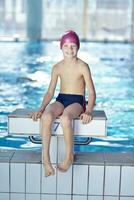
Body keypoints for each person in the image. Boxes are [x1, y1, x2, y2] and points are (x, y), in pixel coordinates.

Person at [30, 30, 96, 177]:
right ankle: (45, 159)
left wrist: (89, 110)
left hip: (77, 101)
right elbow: (49, 92)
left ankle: (69, 156)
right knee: (47, 116)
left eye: (73, 46)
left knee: (66, 119)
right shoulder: (57, 67)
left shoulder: (83, 66)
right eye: (66, 46)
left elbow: (91, 92)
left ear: (78, 47)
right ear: (61, 47)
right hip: (62, 98)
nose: (69, 49)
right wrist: (41, 108)